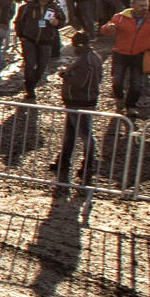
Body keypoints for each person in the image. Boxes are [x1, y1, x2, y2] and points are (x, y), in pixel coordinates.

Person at [54, 34, 106, 188]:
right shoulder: (94, 57)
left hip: (80, 102)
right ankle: (63, 161)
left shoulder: (84, 60)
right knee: (71, 134)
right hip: (81, 101)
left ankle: (87, 164)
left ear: (79, 45)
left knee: (84, 134)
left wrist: (65, 75)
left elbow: (79, 83)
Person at [101, 0, 150, 113]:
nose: (144, 8)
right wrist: (108, 28)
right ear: (132, 6)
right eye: (141, 5)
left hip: (140, 55)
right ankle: (119, 98)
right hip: (120, 54)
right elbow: (105, 30)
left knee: (136, 84)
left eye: (146, 5)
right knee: (117, 81)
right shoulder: (119, 17)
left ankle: (131, 106)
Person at [14, 0, 66, 104]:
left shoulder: (56, 7)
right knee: (29, 64)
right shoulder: (28, 6)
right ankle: (29, 89)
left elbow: (62, 22)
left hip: (46, 41)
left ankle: (33, 83)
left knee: (42, 66)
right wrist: (21, 36)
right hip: (29, 40)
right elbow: (19, 21)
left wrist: (57, 23)